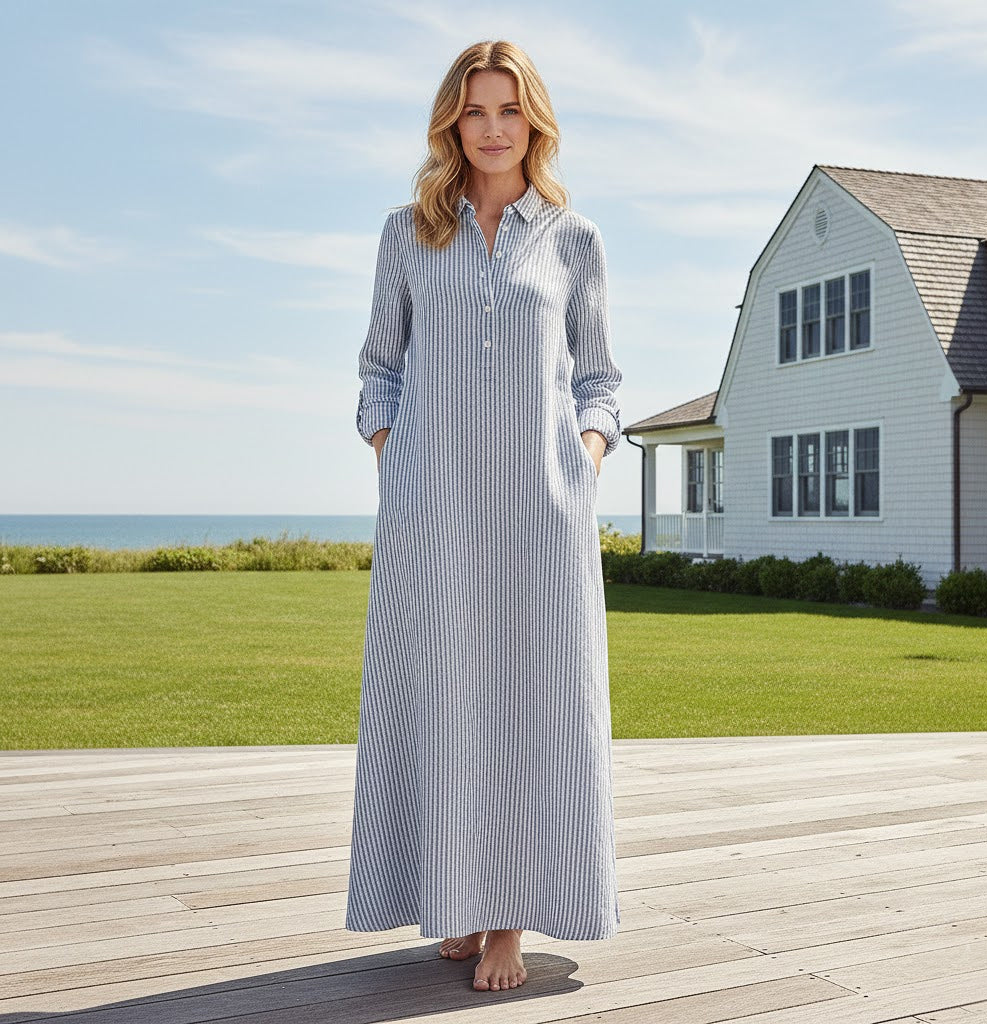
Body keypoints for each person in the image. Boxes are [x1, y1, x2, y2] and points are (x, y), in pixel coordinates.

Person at [346, 39, 623, 994]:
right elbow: (378, 366)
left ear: (534, 122)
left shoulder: (574, 238)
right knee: (442, 697)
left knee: (527, 704)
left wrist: (581, 463)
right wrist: (396, 456)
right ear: (451, 123)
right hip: (433, 513)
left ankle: (508, 917)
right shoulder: (408, 233)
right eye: (476, 111)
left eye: (510, 110)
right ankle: (458, 898)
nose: (494, 128)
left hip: (542, 514)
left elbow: (600, 381)